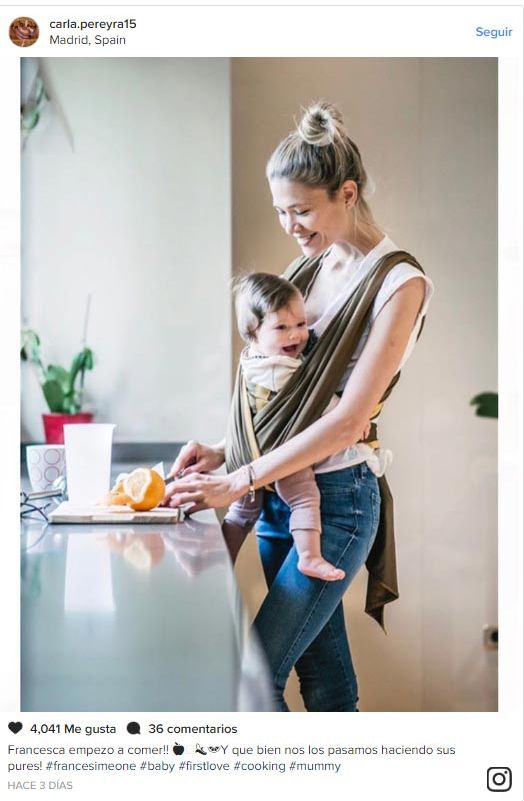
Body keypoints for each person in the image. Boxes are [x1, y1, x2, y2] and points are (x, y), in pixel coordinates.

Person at [164, 102, 433, 712]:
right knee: (326, 682)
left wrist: (238, 478)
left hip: (336, 502)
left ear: (347, 192)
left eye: (303, 209)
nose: (290, 225)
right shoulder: (305, 272)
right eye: (281, 210)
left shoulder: (399, 283)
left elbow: (347, 418)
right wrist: (224, 450)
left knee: (251, 683)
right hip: (278, 499)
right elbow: (281, 392)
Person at [223, 270, 359, 582]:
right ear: (253, 333)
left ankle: (222, 564)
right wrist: (350, 415)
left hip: (247, 453)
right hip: (281, 454)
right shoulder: (283, 369)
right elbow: (313, 402)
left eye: (300, 324)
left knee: (240, 514)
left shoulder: (250, 362)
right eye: (281, 327)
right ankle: (309, 555)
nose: (296, 335)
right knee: (304, 498)